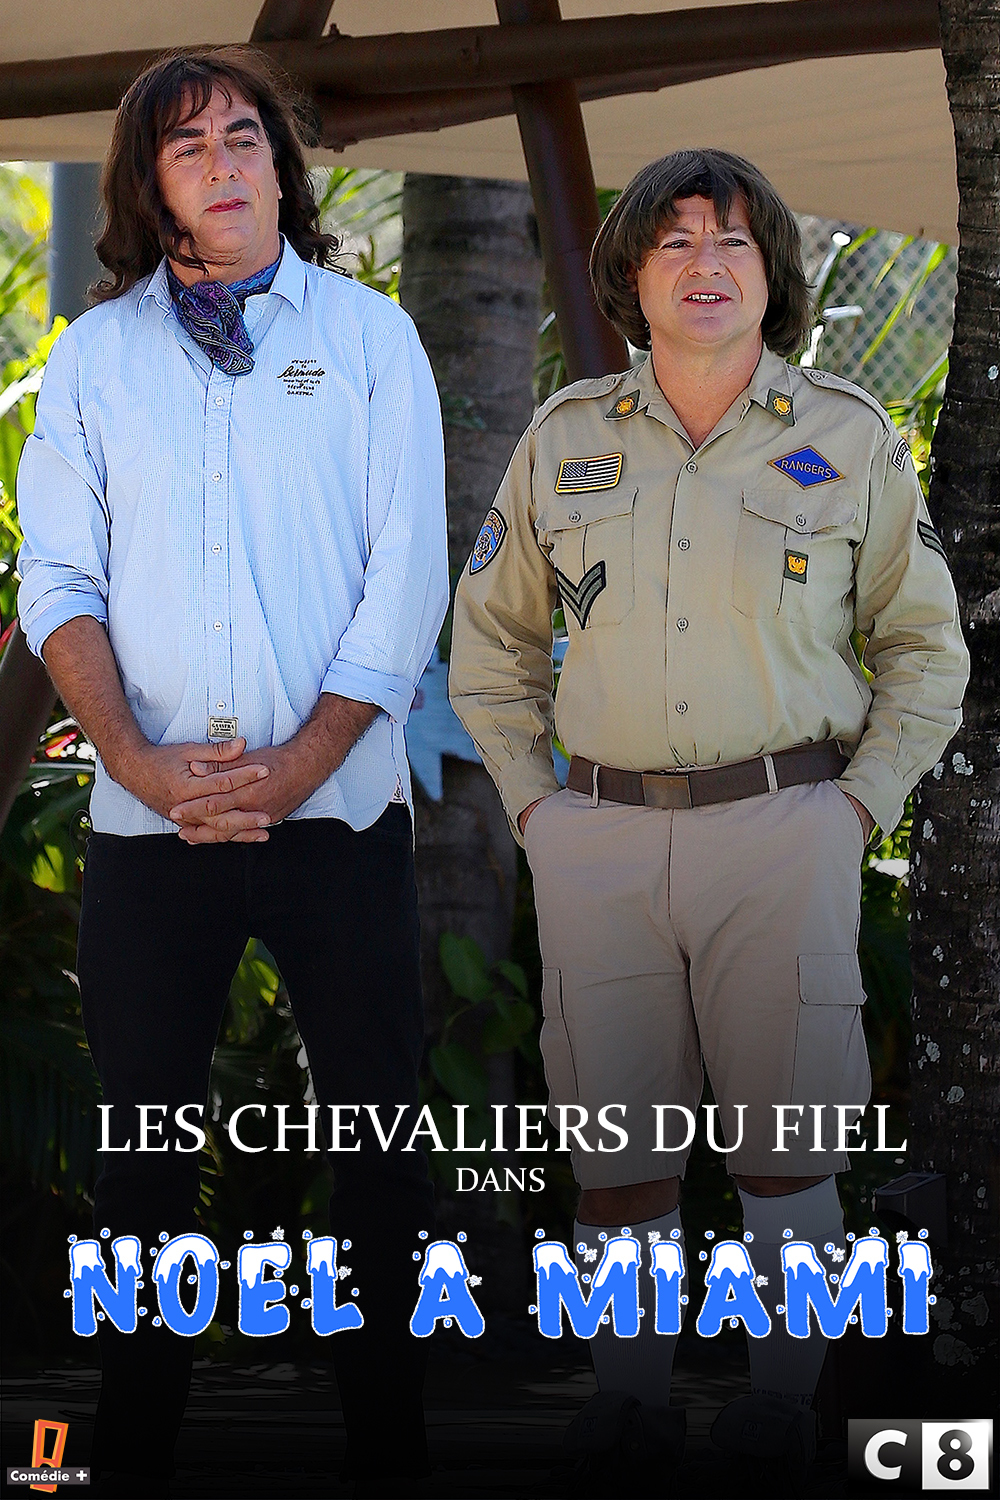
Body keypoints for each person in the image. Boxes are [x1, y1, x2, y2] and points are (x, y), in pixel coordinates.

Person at [448, 148, 968, 1489]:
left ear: (771, 273)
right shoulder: (564, 439)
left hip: (785, 827)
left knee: (788, 1146)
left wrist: (856, 810)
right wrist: (536, 808)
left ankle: (781, 1404)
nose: (705, 264)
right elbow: (490, 648)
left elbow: (926, 647)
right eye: (675, 240)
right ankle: (626, 1403)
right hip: (601, 836)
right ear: (630, 276)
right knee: (615, 1149)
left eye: (732, 240)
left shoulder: (846, 437)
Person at [16, 46, 447, 1499]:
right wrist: (139, 764)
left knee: (378, 1147)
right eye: (189, 144)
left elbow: (406, 575)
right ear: (150, 187)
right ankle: (131, 1455)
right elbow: (57, 581)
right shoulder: (94, 358)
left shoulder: (374, 338)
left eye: (246, 135)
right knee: (141, 1157)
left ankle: (391, 1452)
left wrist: (303, 762)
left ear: (281, 165)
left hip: (338, 817)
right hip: (153, 831)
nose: (225, 161)